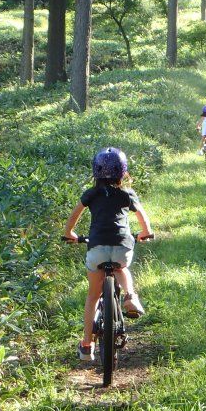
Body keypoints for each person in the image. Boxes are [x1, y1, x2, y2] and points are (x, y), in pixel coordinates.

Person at [63, 147, 154, 361]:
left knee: (93, 296)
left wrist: (69, 233)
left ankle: (86, 344)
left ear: (95, 172)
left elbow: (75, 214)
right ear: (123, 172)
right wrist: (146, 233)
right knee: (121, 268)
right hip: (122, 247)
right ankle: (130, 297)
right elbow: (142, 215)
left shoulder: (91, 194)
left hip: (96, 249)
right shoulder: (127, 194)